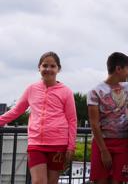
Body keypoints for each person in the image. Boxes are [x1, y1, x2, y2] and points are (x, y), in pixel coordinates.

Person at [0, 52, 77, 184]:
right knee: (39, 182)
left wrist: (71, 146)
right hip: (36, 144)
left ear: (58, 69)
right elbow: (16, 110)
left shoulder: (66, 91)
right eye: (45, 65)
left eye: (52, 66)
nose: (48, 69)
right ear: (39, 67)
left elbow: (72, 120)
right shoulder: (31, 89)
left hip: (58, 144)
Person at [87, 52, 128, 184]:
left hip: (122, 141)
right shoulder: (95, 92)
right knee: (101, 180)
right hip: (102, 142)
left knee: (118, 181)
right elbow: (94, 124)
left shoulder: (127, 87)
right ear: (118, 69)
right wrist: (103, 151)